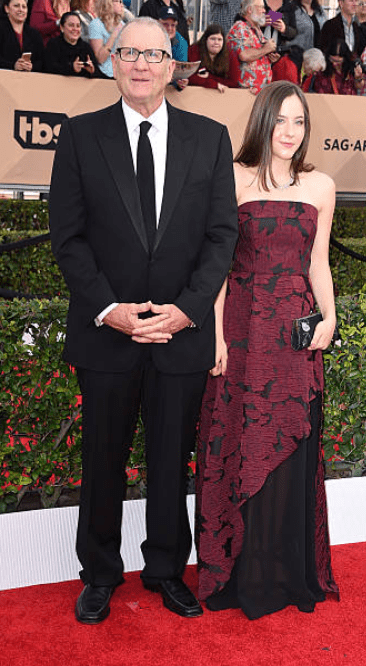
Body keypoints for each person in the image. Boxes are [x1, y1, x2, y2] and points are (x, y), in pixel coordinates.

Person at [49, 16, 238, 625]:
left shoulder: (209, 138)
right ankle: (100, 573)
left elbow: (221, 237)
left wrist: (186, 311)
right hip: (107, 333)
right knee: (102, 459)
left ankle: (164, 571)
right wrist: (111, 310)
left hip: (181, 335)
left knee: (169, 461)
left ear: (172, 66)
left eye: (154, 55)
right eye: (128, 51)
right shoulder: (80, 137)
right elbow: (69, 239)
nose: (140, 64)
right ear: (113, 61)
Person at [196, 81, 339, 620]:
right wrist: (213, 335)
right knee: (239, 439)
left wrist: (330, 315)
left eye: (299, 121)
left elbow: (316, 262)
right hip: (243, 329)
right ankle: (237, 571)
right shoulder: (233, 180)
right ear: (262, 122)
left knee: (291, 444)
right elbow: (219, 270)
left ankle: (284, 571)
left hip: (294, 335)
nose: (289, 131)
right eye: (280, 120)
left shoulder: (321, 185)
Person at [227, 0, 277, 92]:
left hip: (260, 90)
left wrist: (270, 57)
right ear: (250, 9)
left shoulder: (257, 29)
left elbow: (257, 54)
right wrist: (265, 49)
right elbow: (244, 55)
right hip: (246, 90)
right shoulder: (240, 27)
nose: (264, 11)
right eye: (261, 7)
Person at [44, 11, 100, 75]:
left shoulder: (86, 48)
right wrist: (71, 68)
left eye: (78, 26)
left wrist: (92, 71)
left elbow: (97, 73)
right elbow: (48, 68)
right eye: (71, 25)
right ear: (62, 28)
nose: (75, 29)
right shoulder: (53, 45)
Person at [188, 23, 239, 91]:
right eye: (213, 39)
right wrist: (213, 84)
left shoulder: (230, 54)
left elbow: (234, 82)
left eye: (219, 39)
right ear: (205, 40)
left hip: (222, 94)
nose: (216, 42)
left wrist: (209, 77)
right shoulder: (194, 50)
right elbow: (189, 77)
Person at [0, 0, 43, 70]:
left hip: (29, 78)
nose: (21, 10)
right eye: (16, 6)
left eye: (24, 7)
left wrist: (32, 66)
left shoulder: (35, 34)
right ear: (7, 9)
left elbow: (41, 60)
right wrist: (13, 65)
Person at [287, 0, 327, 71]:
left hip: (317, 62)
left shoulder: (320, 11)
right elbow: (274, 16)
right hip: (296, 60)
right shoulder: (290, 8)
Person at [89, 0, 124, 77]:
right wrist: (114, 35)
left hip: (121, 74)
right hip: (104, 74)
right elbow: (100, 59)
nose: (122, 5)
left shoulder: (122, 25)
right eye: (118, 1)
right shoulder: (96, 24)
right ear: (109, 3)